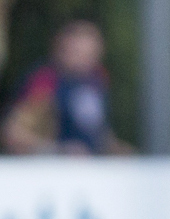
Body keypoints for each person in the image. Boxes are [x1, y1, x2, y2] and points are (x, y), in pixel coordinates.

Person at [2, 20, 132, 155]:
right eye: (78, 53)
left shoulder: (97, 80)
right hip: (51, 166)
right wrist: (59, 150)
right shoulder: (45, 81)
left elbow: (94, 130)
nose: (85, 61)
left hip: (87, 165)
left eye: (90, 54)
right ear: (61, 49)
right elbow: (12, 133)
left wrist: (114, 148)